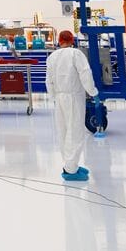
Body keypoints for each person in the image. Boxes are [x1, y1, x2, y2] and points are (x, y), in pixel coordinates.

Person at [45, 29, 98, 182]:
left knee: (63, 131)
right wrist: (93, 92)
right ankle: (71, 169)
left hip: (59, 98)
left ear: (59, 41)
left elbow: (48, 80)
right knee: (75, 132)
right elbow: (85, 74)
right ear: (72, 40)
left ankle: (70, 164)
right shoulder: (76, 54)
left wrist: (53, 97)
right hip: (73, 97)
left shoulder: (52, 57)